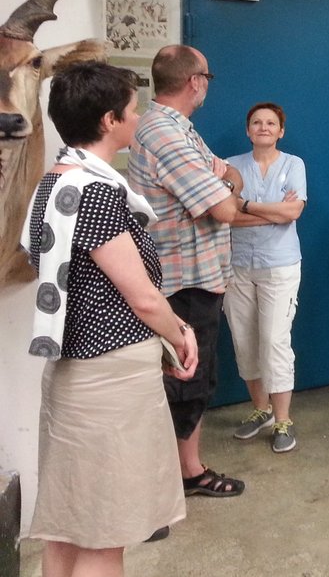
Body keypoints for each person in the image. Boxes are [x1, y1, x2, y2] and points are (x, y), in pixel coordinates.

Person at [24, 62, 199, 576]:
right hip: (110, 381)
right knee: (105, 534)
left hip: (71, 371)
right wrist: (180, 333)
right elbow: (142, 298)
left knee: (67, 526)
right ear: (109, 120)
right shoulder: (97, 192)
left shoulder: (53, 183)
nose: (137, 117)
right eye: (131, 109)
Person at [129, 45, 247, 498]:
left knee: (195, 379)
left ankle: (182, 472)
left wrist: (225, 182)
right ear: (195, 81)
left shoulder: (180, 128)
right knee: (185, 383)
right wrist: (226, 186)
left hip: (197, 277)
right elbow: (226, 207)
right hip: (184, 282)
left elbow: (230, 176)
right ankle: (181, 477)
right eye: (207, 78)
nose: (207, 87)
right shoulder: (166, 134)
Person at [225, 103, 307, 453]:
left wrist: (245, 205)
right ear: (248, 130)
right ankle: (262, 410)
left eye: (271, 123)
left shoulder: (293, 165)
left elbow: (293, 211)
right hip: (238, 265)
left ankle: (283, 419)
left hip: (279, 265)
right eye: (256, 122)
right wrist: (273, 213)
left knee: (274, 341)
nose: (263, 127)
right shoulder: (230, 165)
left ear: (281, 131)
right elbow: (225, 215)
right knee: (245, 341)